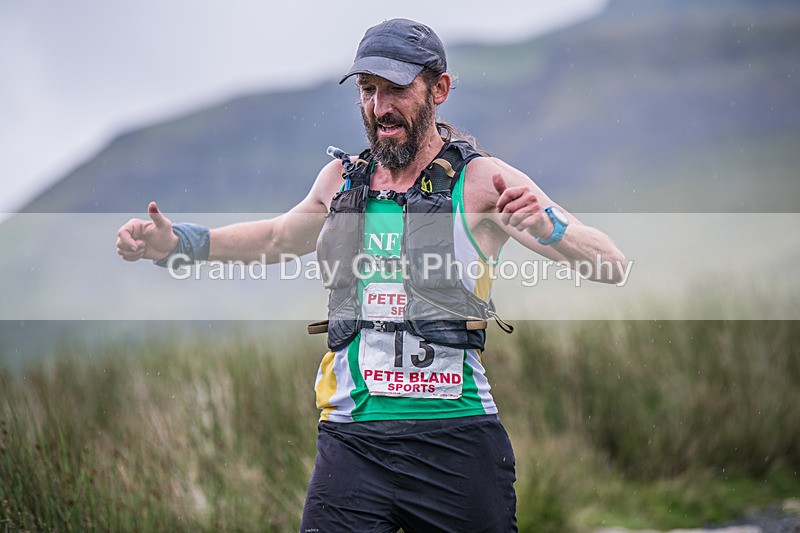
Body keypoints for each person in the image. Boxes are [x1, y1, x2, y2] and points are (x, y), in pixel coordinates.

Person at [116, 18, 626, 532]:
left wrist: (549, 228)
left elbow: (611, 264)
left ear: (439, 89)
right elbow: (276, 238)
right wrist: (179, 243)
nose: (380, 107)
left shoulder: (481, 182)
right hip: (352, 444)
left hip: (456, 442)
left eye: (396, 89)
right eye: (367, 89)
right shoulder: (341, 182)